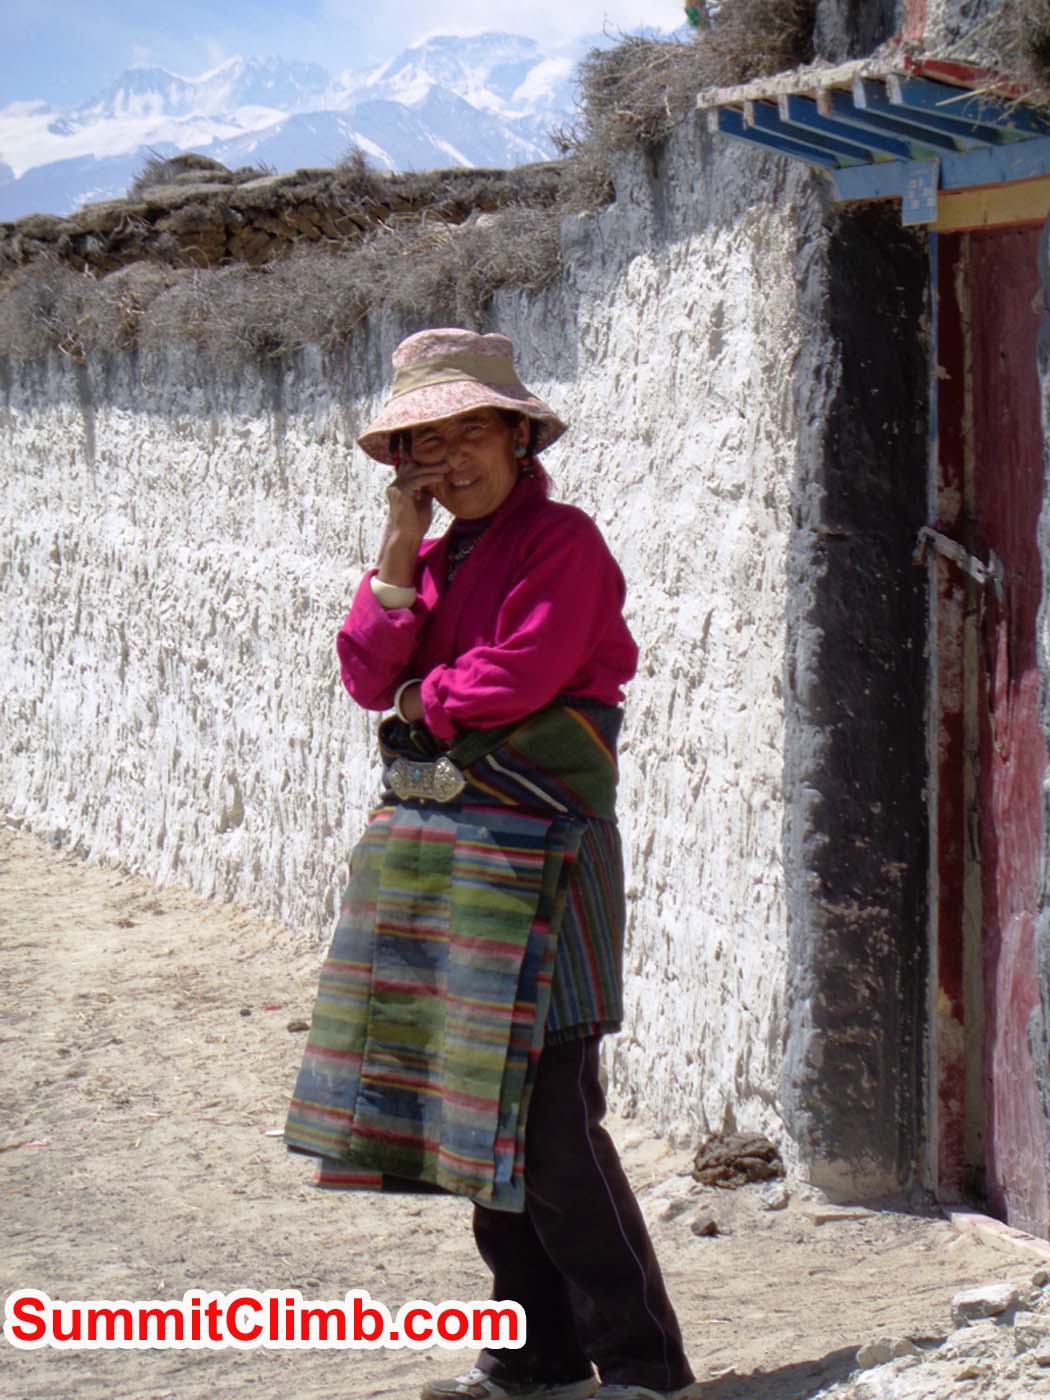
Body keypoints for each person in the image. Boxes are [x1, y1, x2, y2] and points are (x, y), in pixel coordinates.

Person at [284, 329, 694, 1400]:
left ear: (519, 434)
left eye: (473, 430)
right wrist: (393, 548)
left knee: (553, 1118)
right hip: (451, 854)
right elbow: (368, 674)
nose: (453, 457)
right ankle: (536, 1360)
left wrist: (432, 696)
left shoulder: (563, 544)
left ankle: (645, 1364)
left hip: (543, 853)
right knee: (479, 1112)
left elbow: (523, 672)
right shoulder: (425, 559)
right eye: (428, 440)